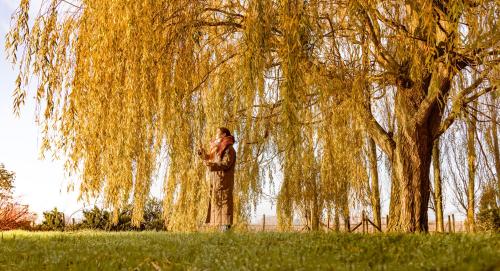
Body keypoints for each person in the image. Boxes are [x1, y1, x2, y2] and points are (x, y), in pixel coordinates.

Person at [197, 127, 236, 232]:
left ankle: (225, 230)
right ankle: (221, 231)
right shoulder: (218, 148)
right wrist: (202, 154)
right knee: (218, 205)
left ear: (224, 135)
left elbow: (226, 163)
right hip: (217, 181)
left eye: (217, 132)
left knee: (224, 205)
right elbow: (210, 158)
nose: (215, 134)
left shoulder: (228, 149)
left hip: (224, 181)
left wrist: (211, 165)